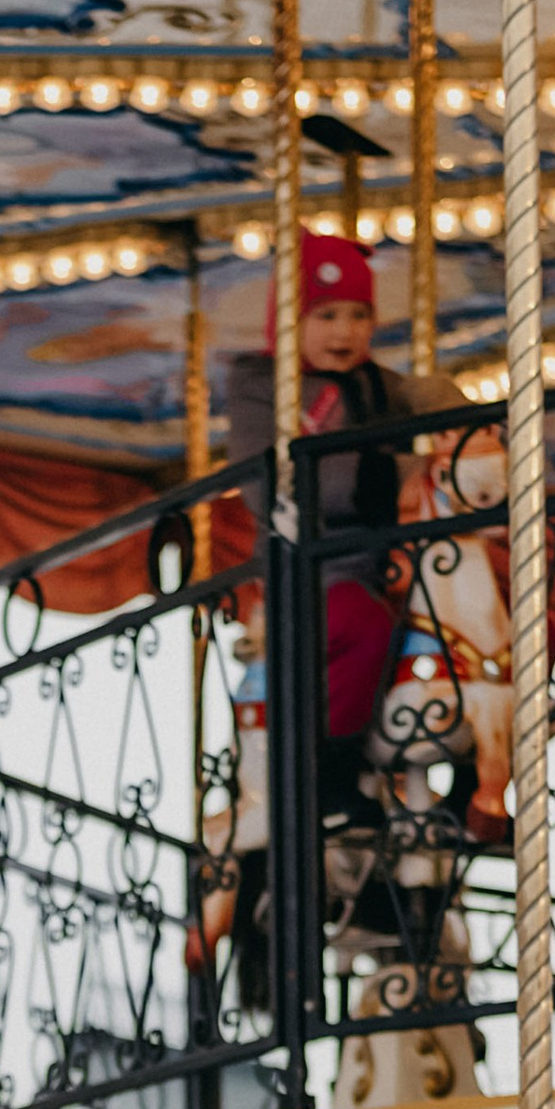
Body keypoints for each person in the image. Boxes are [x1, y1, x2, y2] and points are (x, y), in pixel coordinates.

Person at [222, 232, 436, 804]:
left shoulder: (378, 384)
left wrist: (473, 428)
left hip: (385, 563)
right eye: (326, 315)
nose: (345, 331)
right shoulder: (258, 383)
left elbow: (428, 397)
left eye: (359, 315)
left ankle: (478, 782)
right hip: (308, 569)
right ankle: (333, 772)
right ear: (288, 320)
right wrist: (389, 471)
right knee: (358, 623)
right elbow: (259, 479)